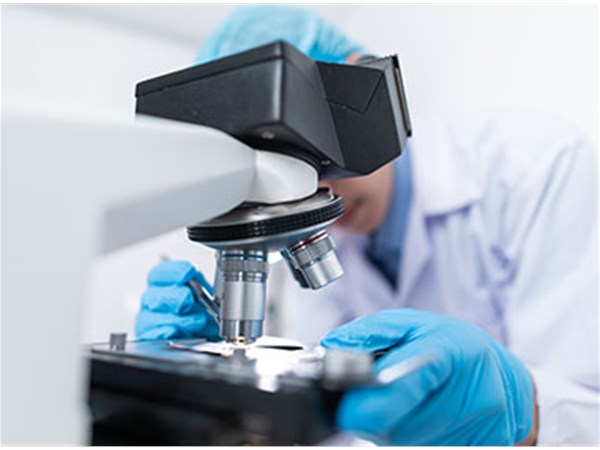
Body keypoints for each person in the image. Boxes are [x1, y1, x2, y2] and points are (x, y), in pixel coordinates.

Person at [135, 5, 599, 446]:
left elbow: (590, 410)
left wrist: (520, 406)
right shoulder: (320, 230)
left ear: (360, 97)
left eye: (309, 166)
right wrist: (210, 389)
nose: (316, 195)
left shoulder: (535, 168)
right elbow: (330, 423)